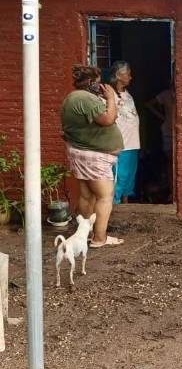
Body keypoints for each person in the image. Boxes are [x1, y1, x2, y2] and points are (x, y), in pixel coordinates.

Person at [61, 65, 125, 247]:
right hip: (94, 157)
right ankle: (99, 238)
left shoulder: (74, 97)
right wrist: (110, 98)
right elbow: (108, 119)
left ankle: (85, 234)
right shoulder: (85, 98)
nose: (100, 86)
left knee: (87, 196)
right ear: (90, 82)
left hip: (84, 153)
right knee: (105, 196)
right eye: (97, 82)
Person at [109, 61, 140, 204]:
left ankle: (125, 203)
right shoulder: (109, 94)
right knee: (119, 175)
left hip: (133, 143)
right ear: (118, 75)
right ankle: (114, 204)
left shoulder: (127, 94)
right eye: (128, 74)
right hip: (120, 144)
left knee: (129, 175)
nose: (130, 77)